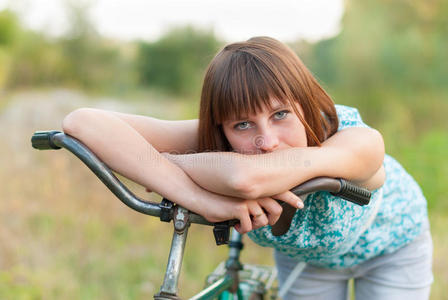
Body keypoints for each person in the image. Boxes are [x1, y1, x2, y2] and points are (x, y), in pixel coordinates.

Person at [62, 36, 433, 299]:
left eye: (281, 114)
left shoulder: (353, 139)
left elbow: (245, 179)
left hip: (392, 251)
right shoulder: (217, 140)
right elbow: (83, 123)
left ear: (305, 103)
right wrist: (196, 195)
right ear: (221, 126)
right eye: (242, 124)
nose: (266, 140)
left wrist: (165, 164)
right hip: (310, 263)